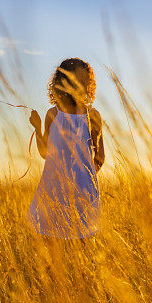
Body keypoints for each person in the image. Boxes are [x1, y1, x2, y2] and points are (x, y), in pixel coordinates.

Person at [27, 58, 105, 238]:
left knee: (54, 248)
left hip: (54, 187)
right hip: (85, 190)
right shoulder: (93, 115)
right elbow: (100, 158)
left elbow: (44, 153)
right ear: (87, 84)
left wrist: (37, 128)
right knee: (82, 247)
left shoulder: (53, 114)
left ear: (58, 83)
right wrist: (85, 179)